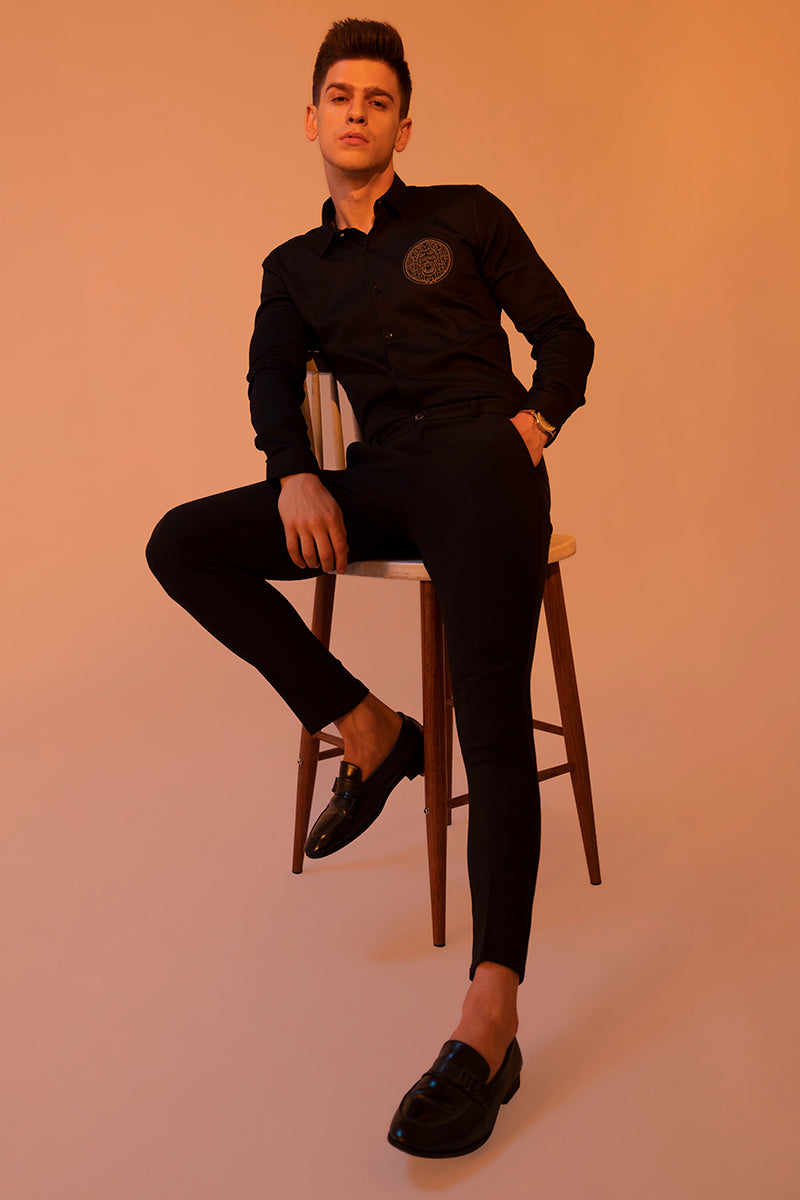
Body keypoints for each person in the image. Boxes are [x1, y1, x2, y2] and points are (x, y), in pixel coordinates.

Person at [146, 18, 594, 1158]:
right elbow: (268, 379)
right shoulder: (292, 268)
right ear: (312, 119)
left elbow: (563, 333)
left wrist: (536, 420)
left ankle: (490, 1013)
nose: (357, 112)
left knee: (488, 719)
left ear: (403, 125)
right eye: (339, 96)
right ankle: (369, 726)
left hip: (483, 462)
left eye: (378, 99)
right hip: (380, 477)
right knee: (181, 544)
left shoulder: (466, 215)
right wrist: (293, 470)